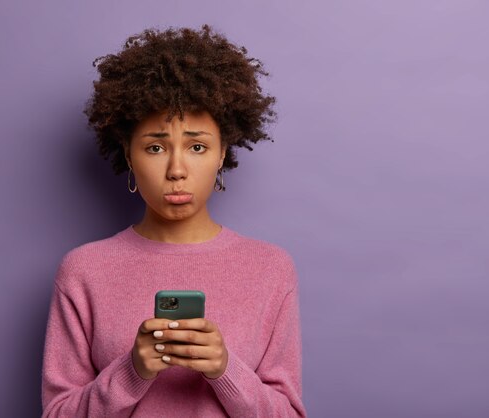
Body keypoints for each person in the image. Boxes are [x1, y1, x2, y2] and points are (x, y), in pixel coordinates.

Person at [41, 25, 307, 418]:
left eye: (197, 147)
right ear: (129, 156)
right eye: (155, 147)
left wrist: (225, 369)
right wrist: (132, 371)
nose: (177, 169)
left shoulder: (271, 268)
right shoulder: (84, 271)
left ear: (221, 154)